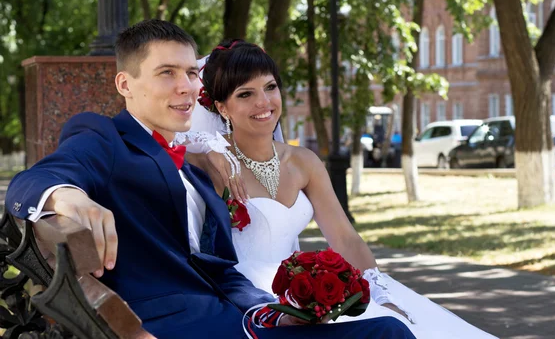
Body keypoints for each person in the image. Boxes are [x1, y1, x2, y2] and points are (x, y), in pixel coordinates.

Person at [5, 20, 414, 339]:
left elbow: (219, 270)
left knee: (388, 331)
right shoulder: (104, 137)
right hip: (165, 326)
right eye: (166, 73)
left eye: (189, 72)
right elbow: (35, 180)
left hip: (240, 322)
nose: (184, 87)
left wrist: (270, 311)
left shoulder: (198, 171)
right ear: (125, 84)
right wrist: (68, 197)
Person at [183, 40, 498, 339]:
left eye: (270, 87)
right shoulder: (211, 161)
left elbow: (345, 237)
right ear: (222, 108)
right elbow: (160, 147)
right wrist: (204, 147)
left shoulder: (304, 162)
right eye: (245, 94)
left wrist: (379, 291)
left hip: (302, 289)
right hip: (249, 295)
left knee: (405, 323)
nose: (263, 102)